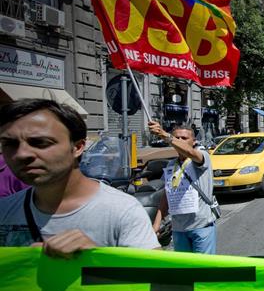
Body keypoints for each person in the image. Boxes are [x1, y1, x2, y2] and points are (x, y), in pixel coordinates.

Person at [0, 99, 159, 255]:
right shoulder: (4, 210)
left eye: (40, 142)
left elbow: (159, 277)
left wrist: (97, 259)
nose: (21, 154)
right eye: (9, 144)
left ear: (77, 147)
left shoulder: (123, 210)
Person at [150, 121, 217, 254]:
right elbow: (167, 195)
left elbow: (191, 152)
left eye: (184, 138)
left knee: (204, 270)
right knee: (185, 271)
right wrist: (156, 225)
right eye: (177, 138)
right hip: (179, 229)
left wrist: (166, 135)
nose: (179, 141)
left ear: (194, 141)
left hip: (201, 226)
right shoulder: (171, 165)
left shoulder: (201, 156)